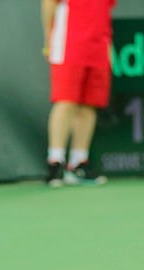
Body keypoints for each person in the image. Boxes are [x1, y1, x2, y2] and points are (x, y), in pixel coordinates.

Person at [42, 0, 115, 187]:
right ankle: (55, 162)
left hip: (98, 47)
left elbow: (104, 13)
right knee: (65, 102)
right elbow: (49, 3)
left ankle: (78, 163)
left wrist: (107, 49)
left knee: (89, 105)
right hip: (68, 44)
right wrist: (48, 39)